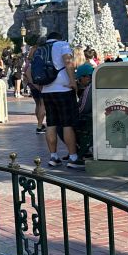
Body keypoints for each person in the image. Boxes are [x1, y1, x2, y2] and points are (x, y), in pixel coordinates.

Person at [39, 30, 83, 170]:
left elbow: (29, 72)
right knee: (67, 124)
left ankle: (54, 157)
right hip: (63, 89)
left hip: (47, 90)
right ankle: (73, 157)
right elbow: (68, 62)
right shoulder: (62, 45)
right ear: (60, 38)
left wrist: (40, 87)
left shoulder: (40, 49)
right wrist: (72, 81)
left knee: (51, 123)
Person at [73, 63, 94, 160]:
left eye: (79, 79)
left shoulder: (89, 88)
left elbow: (83, 108)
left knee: (63, 126)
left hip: (89, 119)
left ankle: (78, 151)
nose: (79, 82)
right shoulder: (93, 85)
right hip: (93, 117)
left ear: (86, 77)